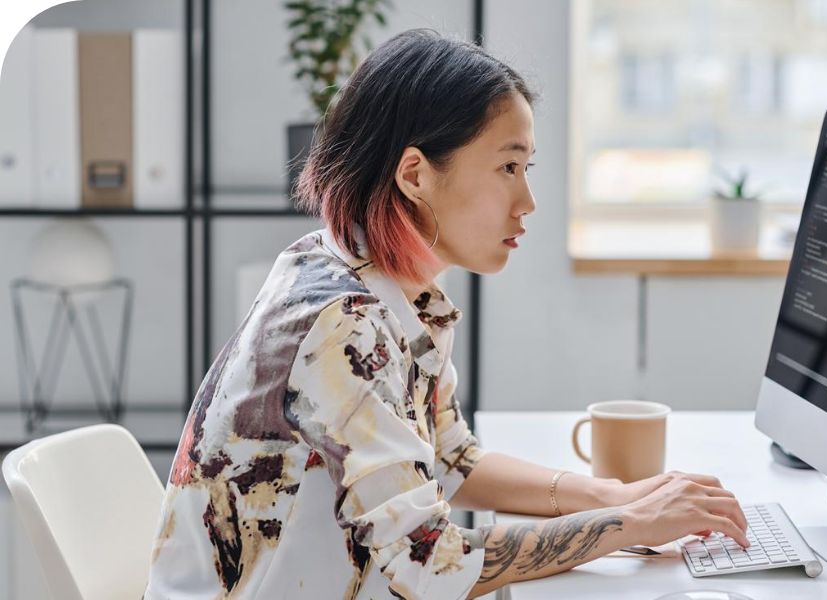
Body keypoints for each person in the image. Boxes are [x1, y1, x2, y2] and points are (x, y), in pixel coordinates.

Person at [143, 29, 748, 600]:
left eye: (526, 168)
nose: (528, 202)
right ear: (415, 174)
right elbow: (428, 566)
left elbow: (450, 459)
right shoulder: (342, 324)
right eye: (507, 167)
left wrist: (612, 495)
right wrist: (627, 523)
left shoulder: (375, 283)